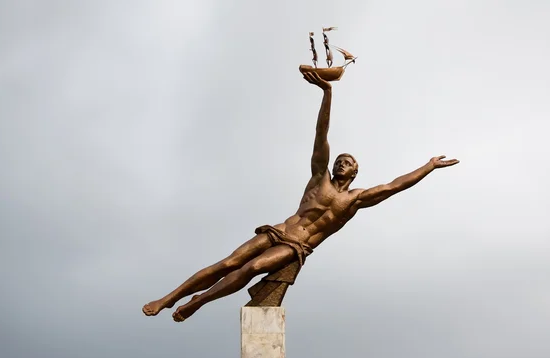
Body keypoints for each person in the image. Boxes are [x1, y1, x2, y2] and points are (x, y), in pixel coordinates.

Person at [142, 72, 459, 322]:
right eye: (340, 159)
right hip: (280, 231)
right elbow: (321, 135)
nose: (340, 163)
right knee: (228, 262)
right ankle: (169, 298)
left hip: (297, 246)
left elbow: (394, 186)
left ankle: (200, 301)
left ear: (355, 173)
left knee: (251, 270)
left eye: (347, 162)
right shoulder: (319, 179)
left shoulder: (356, 199)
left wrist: (429, 166)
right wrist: (328, 94)